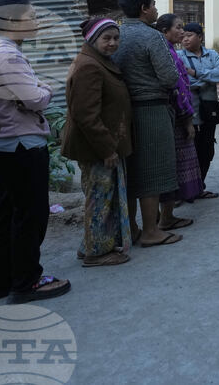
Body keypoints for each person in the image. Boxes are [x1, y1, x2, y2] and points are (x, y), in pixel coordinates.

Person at [0, 0, 70, 303]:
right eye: (31, 16)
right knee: (29, 214)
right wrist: (46, 87)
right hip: (21, 144)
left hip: (7, 143)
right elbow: (37, 100)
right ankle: (26, 281)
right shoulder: (8, 56)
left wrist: (34, 89)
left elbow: (26, 96)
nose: (37, 22)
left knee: (7, 212)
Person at [111, 0, 183, 248]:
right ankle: (152, 230)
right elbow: (169, 76)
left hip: (124, 111)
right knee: (153, 171)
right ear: (144, 8)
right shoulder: (152, 37)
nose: (155, 9)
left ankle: (132, 227)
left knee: (131, 171)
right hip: (151, 108)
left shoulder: (115, 34)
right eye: (153, 4)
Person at [63, 18, 132, 267]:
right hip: (97, 147)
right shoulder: (89, 67)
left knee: (102, 195)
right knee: (100, 198)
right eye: (107, 38)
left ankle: (92, 244)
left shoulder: (98, 61)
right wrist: (107, 148)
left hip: (104, 144)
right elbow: (86, 114)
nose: (113, 43)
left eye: (116, 38)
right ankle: (97, 252)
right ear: (93, 39)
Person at [154, 14, 204, 220]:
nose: (182, 32)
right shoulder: (167, 53)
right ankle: (167, 216)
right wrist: (187, 119)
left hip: (177, 112)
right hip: (176, 115)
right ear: (165, 31)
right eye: (178, 27)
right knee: (175, 164)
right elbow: (177, 85)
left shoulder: (170, 51)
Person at [179, 23, 219, 196]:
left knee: (207, 150)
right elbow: (184, 81)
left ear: (200, 37)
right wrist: (206, 78)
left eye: (189, 35)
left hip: (210, 111)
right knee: (189, 152)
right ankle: (185, 190)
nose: (185, 39)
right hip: (190, 113)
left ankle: (200, 187)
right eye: (183, 35)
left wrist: (195, 73)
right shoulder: (179, 56)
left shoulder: (212, 54)